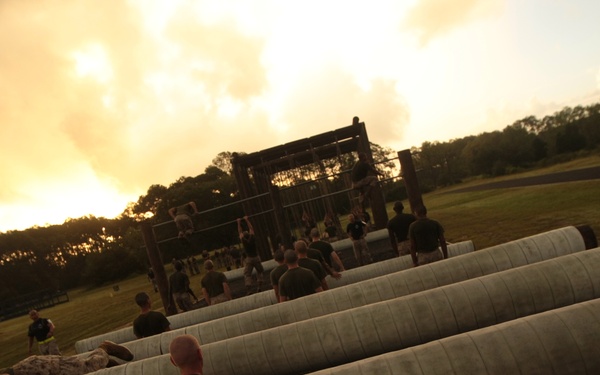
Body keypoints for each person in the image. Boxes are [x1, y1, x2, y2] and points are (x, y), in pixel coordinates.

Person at [0, 340, 133, 375]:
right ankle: (105, 362)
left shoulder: (26, 368)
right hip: (36, 367)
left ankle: (104, 348)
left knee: (86, 369)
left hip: (39, 367)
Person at [237, 215, 264, 295]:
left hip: (249, 259)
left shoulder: (244, 241)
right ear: (249, 234)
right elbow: (251, 228)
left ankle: (249, 289)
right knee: (259, 271)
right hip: (256, 257)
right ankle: (259, 286)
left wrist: (238, 223)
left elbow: (240, 232)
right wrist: (247, 220)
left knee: (247, 274)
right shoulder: (252, 238)